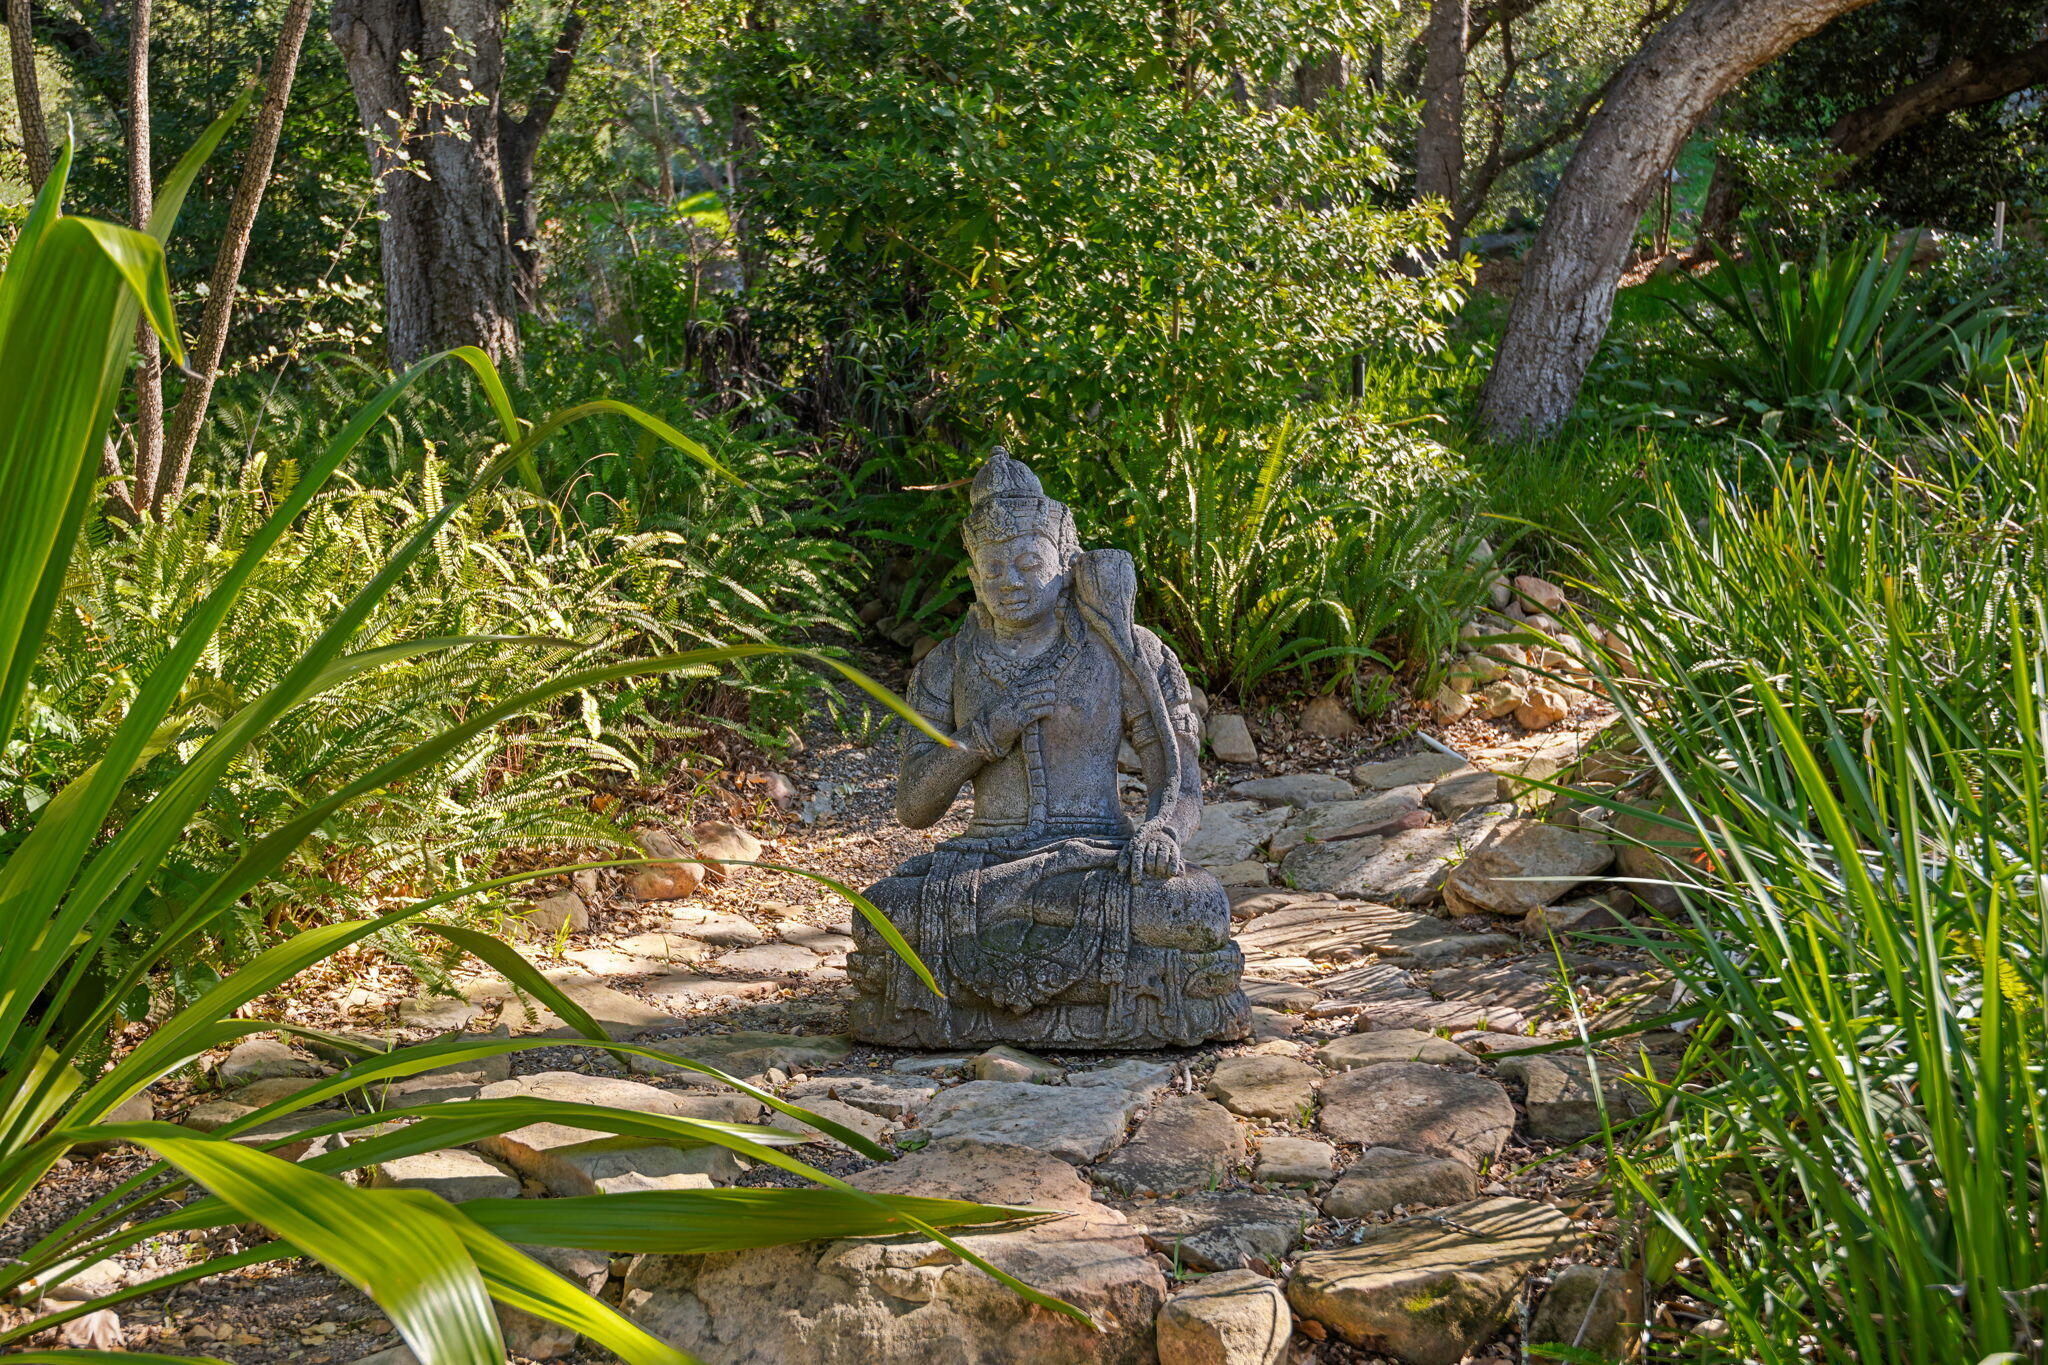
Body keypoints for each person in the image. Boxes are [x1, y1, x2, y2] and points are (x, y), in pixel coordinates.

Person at [847, 449, 1249, 1048]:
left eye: (1028, 562)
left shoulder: (1123, 649)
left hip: (1095, 855)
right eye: (991, 569)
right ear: (974, 576)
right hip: (982, 862)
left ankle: (1001, 942)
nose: (1008, 582)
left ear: (1066, 561)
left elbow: (1178, 775)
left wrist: (1162, 833)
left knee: (1195, 910)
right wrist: (983, 735)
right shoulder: (949, 664)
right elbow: (914, 808)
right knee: (879, 913)